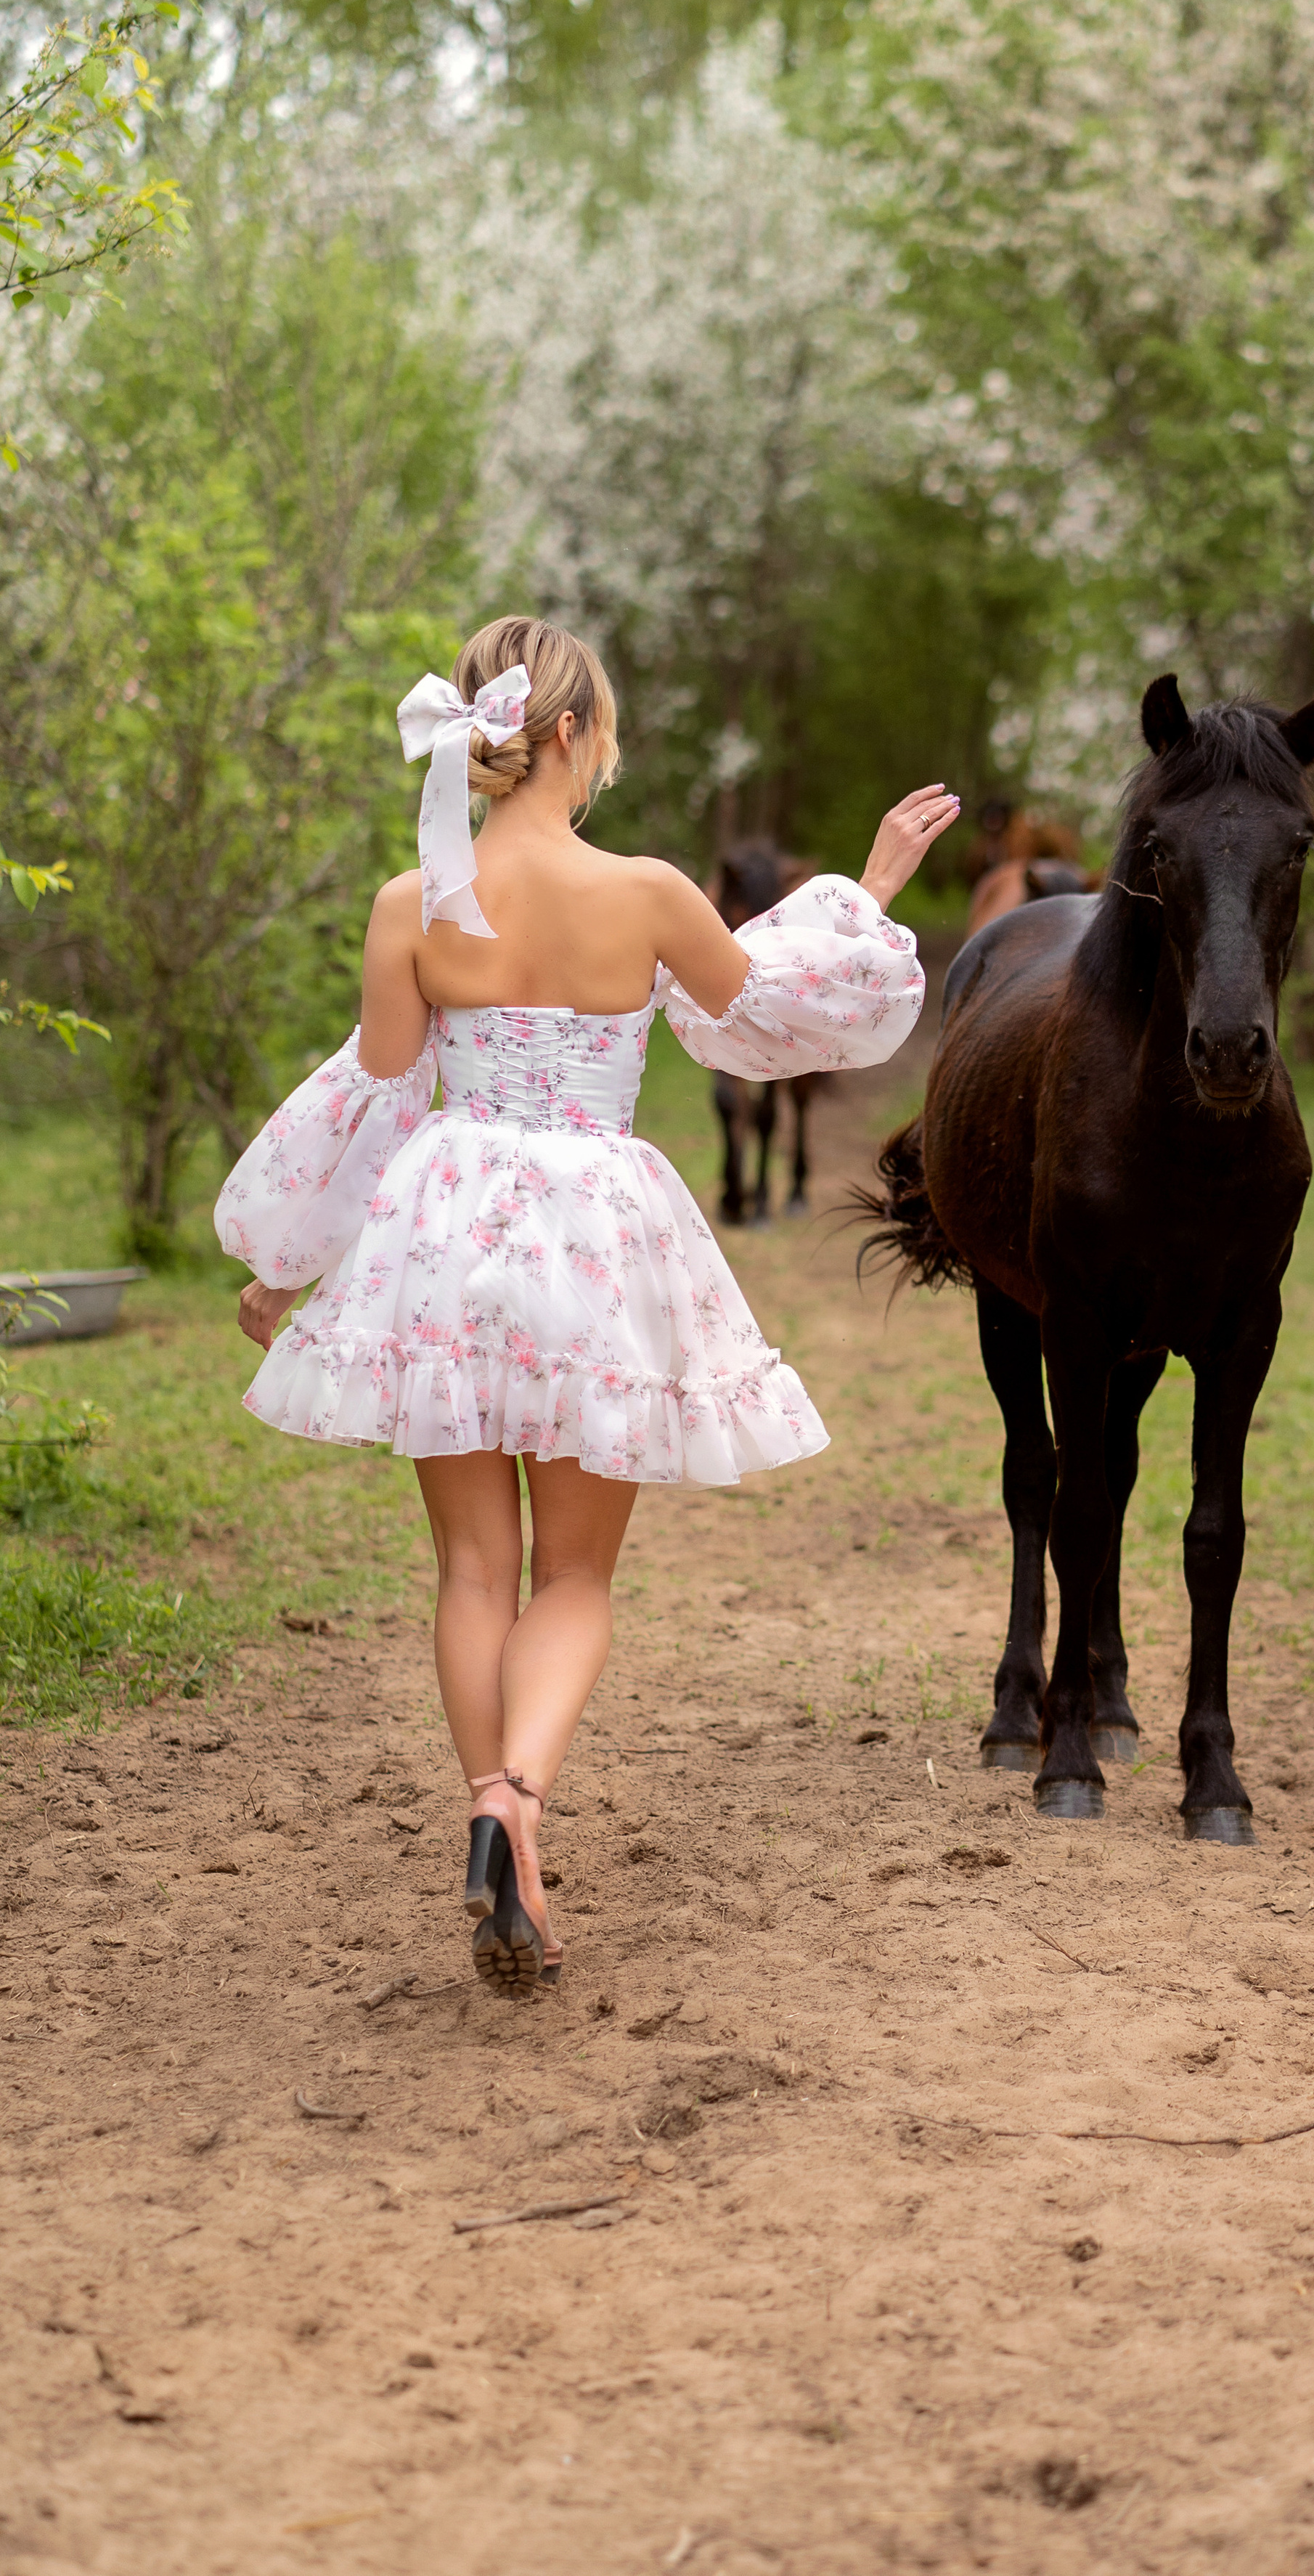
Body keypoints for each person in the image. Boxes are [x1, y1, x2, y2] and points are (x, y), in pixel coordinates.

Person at [216, 614, 958, 1990]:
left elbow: (376, 1100)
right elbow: (777, 1018)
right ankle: (519, 1804)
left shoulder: (409, 906)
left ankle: (497, 1824)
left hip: (442, 1232)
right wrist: (867, 885)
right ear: (569, 734)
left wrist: (291, 1261)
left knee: (471, 1572)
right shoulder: (651, 893)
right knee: (573, 1574)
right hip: (594, 1243)